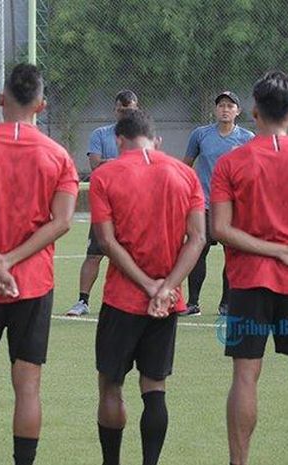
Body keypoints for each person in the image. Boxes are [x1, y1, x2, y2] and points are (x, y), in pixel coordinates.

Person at [0, 63, 78, 465]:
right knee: (28, 387)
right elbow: (62, 221)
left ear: (2, 99)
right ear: (41, 104)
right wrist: (12, 260)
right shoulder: (58, 156)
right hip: (33, 283)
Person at [90, 109, 205, 465]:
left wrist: (145, 284)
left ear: (119, 140)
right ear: (156, 139)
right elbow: (197, 238)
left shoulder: (105, 175)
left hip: (122, 299)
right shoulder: (185, 174)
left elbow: (107, 242)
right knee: (154, 388)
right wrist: (167, 288)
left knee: (111, 385)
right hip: (167, 304)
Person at [210, 71, 288, 465]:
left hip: (248, 283)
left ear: (253, 110)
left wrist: (270, 250)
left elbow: (220, 230)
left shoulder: (231, 163)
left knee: (245, 374)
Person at [65, 90, 138, 316]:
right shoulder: (101, 134)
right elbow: (96, 164)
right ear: (115, 110)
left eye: (130, 111)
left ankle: (135, 299)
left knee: (136, 254)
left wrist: (113, 163)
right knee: (94, 254)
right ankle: (83, 301)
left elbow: (145, 165)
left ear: (136, 110)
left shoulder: (142, 135)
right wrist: (125, 162)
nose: (125, 114)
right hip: (106, 204)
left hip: (134, 204)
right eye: (121, 110)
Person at [181, 91, 254, 316]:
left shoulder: (247, 138)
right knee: (198, 249)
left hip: (232, 206)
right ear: (215, 110)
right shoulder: (200, 135)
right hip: (203, 203)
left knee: (231, 254)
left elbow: (253, 172)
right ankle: (193, 303)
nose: (225, 109)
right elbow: (186, 166)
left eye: (230, 106)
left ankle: (226, 304)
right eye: (221, 105)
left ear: (238, 111)